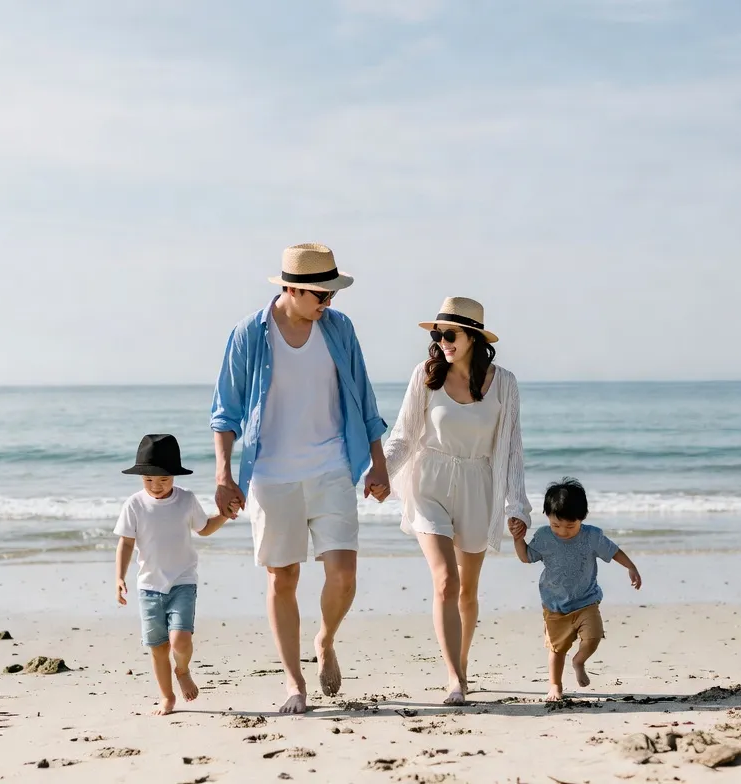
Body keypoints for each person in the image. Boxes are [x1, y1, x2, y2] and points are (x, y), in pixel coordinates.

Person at [210, 242, 389, 715]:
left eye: (332, 294)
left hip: (333, 466)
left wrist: (379, 462)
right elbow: (225, 412)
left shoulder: (339, 329)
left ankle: (325, 639)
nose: (328, 303)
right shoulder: (250, 334)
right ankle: (294, 682)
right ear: (291, 288)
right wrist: (225, 475)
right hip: (271, 475)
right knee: (283, 577)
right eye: (320, 295)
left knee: (344, 577)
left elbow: (365, 399)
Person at [384, 296, 530, 705]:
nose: (442, 341)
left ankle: (461, 666)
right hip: (428, 481)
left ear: (473, 338)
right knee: (445, 580)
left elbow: (512, 448)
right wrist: (381, 473)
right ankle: (454, 678)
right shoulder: (425, 376)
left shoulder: (504, 383)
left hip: (477, 485)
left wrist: (516, 506)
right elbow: (404, 435)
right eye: (438, 335)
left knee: (468, 590)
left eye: (450, 334)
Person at [114, 434, 232, 716]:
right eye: (148, 481)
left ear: (174, 476)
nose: (156, 486)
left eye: (163, 480)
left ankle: (182, 669)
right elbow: (126, 542)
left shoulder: (186, 500)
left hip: (182, 581)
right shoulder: (134, 505)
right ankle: (167, 697)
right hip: (149, 587)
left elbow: (203, 528)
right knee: (157, 647)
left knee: (180, 641)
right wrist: (119, 576)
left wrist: (225, 514)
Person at [509, 478, 643, 701]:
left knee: (593, 637)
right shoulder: (543, 536)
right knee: (556, 649)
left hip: (586, 602)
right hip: (554, 606)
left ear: (582, 518)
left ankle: (579, 661)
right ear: (547, 518)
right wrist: (517, 539)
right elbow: (526, 557)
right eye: (556, 525)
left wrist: (631, 566)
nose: (562, 531)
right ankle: (555, 686)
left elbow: (613, 551)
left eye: (570, 526)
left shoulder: (592, 536)